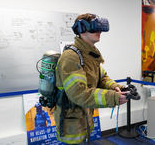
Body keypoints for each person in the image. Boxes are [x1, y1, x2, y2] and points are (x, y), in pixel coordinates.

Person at [54, 13, 128, 145]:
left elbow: (102, 77)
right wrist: (113, 97)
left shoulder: (89, 55)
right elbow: (79, 94)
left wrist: (116, 87)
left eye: (100, 28)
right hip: (72, 121)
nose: (99, 31)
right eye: (94, 28)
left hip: (84, 117)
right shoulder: (71, 57)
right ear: (81, 29)